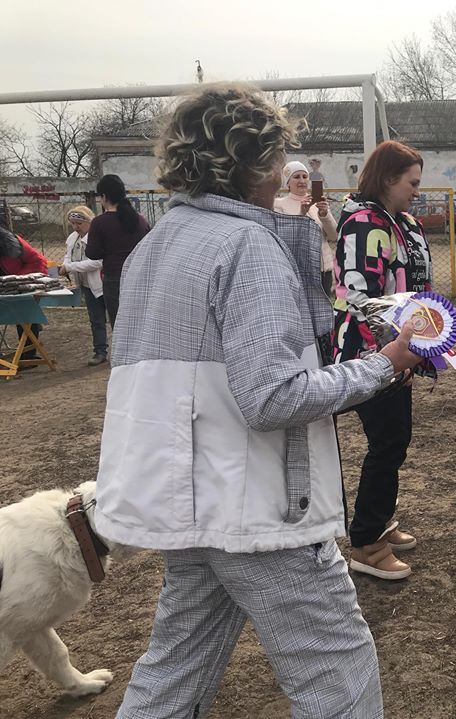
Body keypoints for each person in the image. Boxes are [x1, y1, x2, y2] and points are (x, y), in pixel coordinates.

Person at [92, 83, 423, 718]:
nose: (282, 172)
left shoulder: (154, 247)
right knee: (338, 672)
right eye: (275, 157)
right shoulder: (245, 246)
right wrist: (382, 365)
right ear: (250, 162)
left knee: (174, 669)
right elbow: (272, 398)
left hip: (189, 500)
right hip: (261, 509)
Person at [333, 139, 432, 581]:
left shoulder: (401, 223)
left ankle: (379, 521)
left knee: (393, 440)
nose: (417, 190)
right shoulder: (363, 224)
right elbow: (362, 297)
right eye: (412, 182)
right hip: (370, 352)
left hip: (397, 353)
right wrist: (392, 356)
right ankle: (367, 544)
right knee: (388, 442)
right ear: (389, 179)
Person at [84, 174, 150, 327]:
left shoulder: (99, 223)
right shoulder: (140, 220)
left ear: (104, 196)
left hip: (114, 278)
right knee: (140, 321)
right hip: (140, 275)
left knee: (119, 324)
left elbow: (92, 253)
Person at [273, 160, 337, 294]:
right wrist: (301, 214)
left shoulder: (317, 204)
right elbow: (285, 238)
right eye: (296, 177)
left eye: (304, 176)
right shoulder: (279, 205)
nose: (302, 181)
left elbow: (334, 236)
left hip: (323, 270)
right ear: (288, 183)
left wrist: (324, 215)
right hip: (299, 269)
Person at [59, 206, 108, 365]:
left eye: (79, 223)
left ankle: (124, 349)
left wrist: (71, 267)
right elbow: (68, 256)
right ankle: (100, 351)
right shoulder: (72, 238)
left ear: (89, 222)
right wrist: (65, 265)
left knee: (116, 317)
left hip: (104, 282)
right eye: (73, 223)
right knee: (96, 320)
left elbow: (97, 262)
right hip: (87, 285)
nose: (76, 227)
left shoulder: (96, 237)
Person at [0, 224, 48, 363]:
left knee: (25, 315)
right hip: (10, 278)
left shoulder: (10, 244)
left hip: (31, 273)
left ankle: (28, 355)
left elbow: (36, 262)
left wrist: (15, 281)